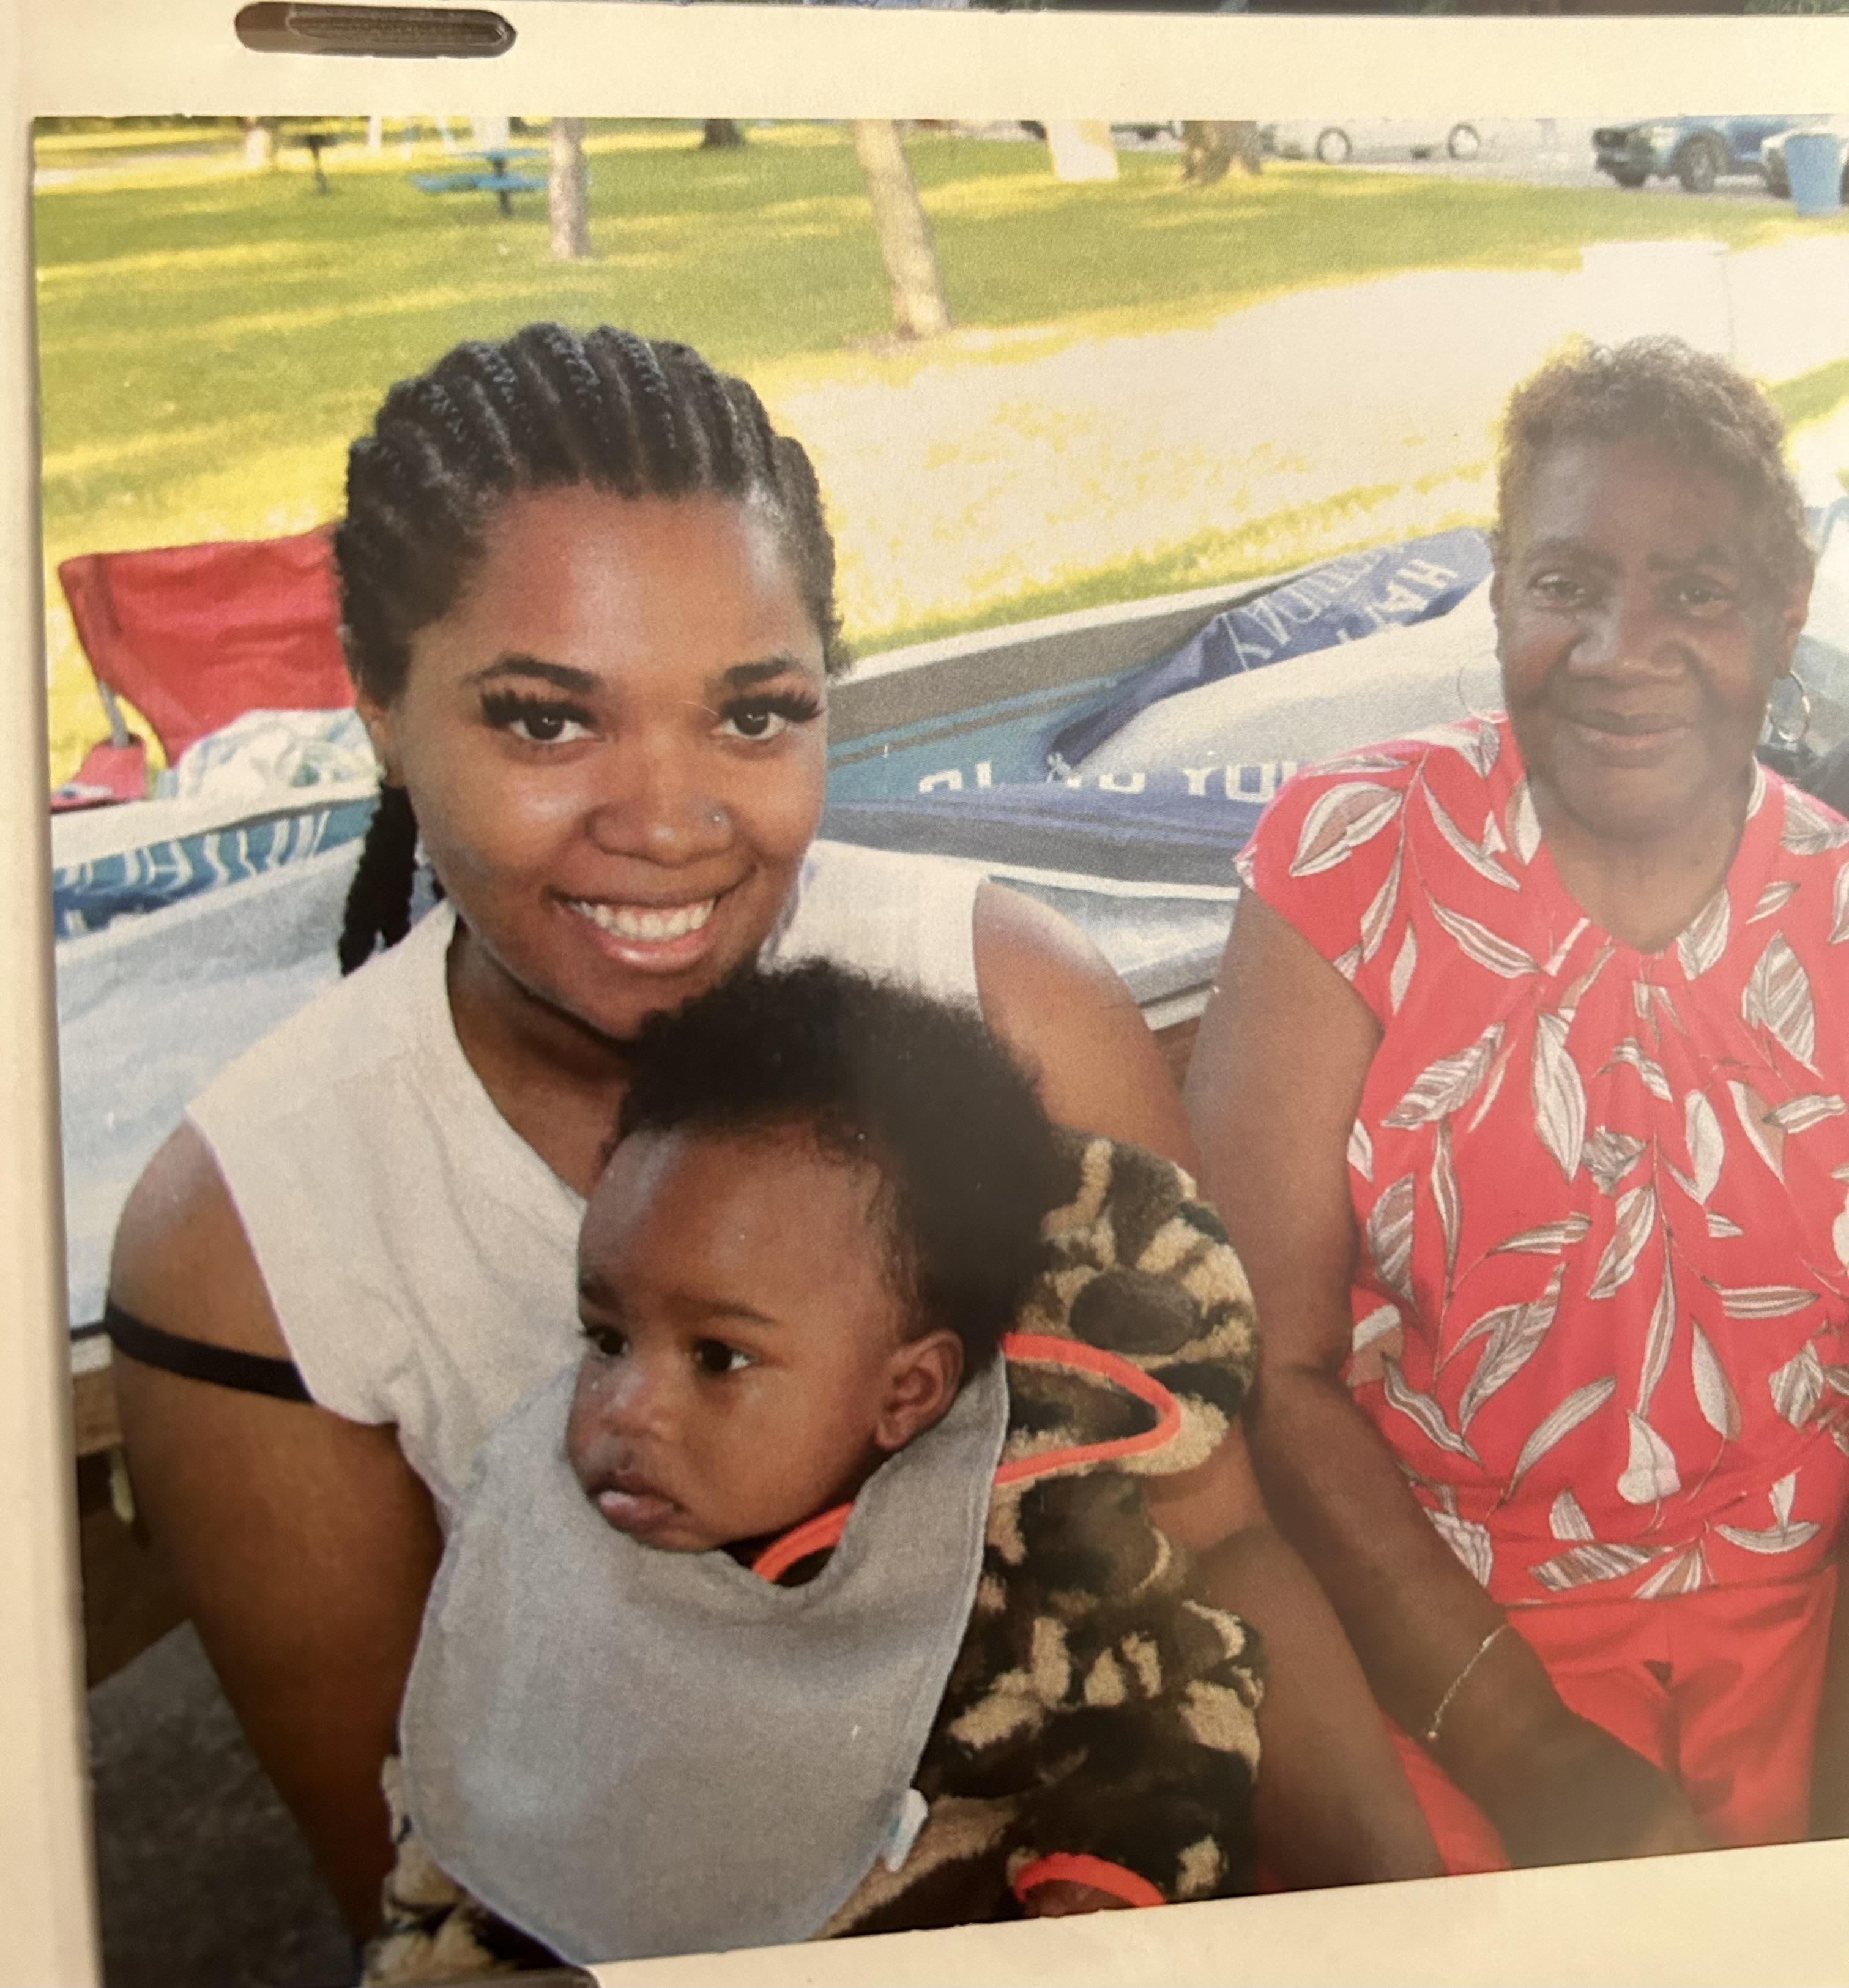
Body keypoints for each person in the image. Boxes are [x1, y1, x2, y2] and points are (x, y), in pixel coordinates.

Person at [105, 322, 1428, 1937]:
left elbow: (1212, 1564)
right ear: (378, 705)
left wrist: (1414, 1927)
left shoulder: (1008, 1009)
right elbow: (440, 1863)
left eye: (750, 718)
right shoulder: (252, 1246)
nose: (667, 824)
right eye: (543, 722)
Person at [1186, 335, 1849, 1873]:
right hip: (1425, 1625)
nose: (1620, 647)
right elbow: (1261, 1363)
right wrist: (1524, 1748)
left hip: (1783, 1626)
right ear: (1496, 589)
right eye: (1564, 584)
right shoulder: (1350, 855)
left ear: (1783, 615)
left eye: (1695, 592)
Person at [365, 961, 1267, 1979]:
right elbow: (467, 1824)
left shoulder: (1017, 1540)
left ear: (905, 1392)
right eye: (606, 1336)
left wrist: (1103, 1871)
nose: (624, 1407)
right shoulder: (546, 1522)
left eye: (718, 1357)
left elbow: (1179, 1699)